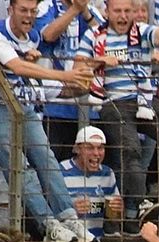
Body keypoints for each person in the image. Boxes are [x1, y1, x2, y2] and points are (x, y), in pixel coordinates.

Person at [0, 0, 97, 242]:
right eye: (23, 11)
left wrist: (81, 81)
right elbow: (17, 67)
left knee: (45, 158)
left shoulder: (33, 38)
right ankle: (48, 223)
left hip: (19, 102)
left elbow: (30, 70)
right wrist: (66, 75)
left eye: (32, 11)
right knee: (19, 165)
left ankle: (68, 217)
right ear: (10, 11)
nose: (28, 16)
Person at [77, 0, 159, 226]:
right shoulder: (94, 35)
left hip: (146, 100)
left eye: (127, 11)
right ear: (107, 11)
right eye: (118, 11)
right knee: (131, 150)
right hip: (113, 102)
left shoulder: (142, 31)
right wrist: (99, 61)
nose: (123, 16)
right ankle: (139, 203)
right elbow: (76, 69)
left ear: (133, 12)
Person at [36, 0, 105, 161]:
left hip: (88, 108)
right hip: (53, 106)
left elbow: (105, 41)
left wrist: (86, 13)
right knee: (51, 166)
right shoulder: (46, 7)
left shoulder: (92, 11)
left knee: (85, 168)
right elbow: (47, 35)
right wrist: (74, 10)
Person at [46, 126, 123, 242]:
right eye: (90, 148)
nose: (96, 153)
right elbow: (43, 215)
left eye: (100, 148)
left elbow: (115, 219)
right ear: (77, 149)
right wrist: (69, 210)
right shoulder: (59, 172)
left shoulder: (107, 174)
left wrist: (117, 211)